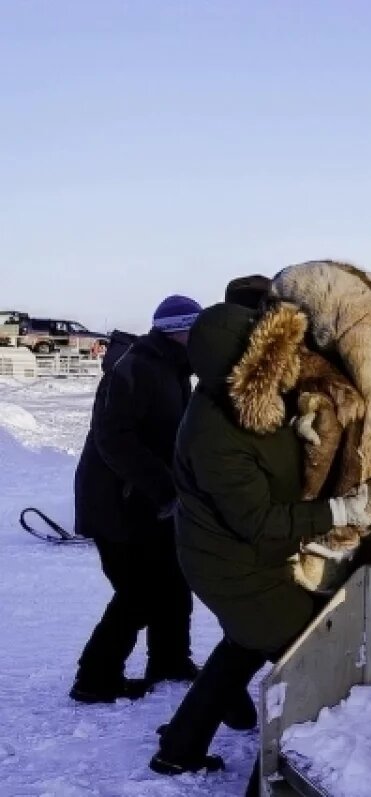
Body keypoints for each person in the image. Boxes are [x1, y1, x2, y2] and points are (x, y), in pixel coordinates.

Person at [150, 301, 371, 778]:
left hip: (241, 556)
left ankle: (179, 747)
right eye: (268, 367)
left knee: (242, 646)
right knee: (312, 658)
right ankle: (275, 780)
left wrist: (301, 430)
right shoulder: (213, 436)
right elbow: (259, 520)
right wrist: (340, 511)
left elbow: (265, 443)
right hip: (235, 569)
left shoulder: (240, 398)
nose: (283, 374)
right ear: (241, 370)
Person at [70, 295, 203, 703]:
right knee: (139, 592)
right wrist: (163, 487)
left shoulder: (173, 368)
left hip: (146, 501)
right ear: (179, 331)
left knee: (173, 578)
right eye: (196, 332)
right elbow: (114, 438)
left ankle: (170, 660)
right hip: (118, 503)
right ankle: (95, 678)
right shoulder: (137, 368)